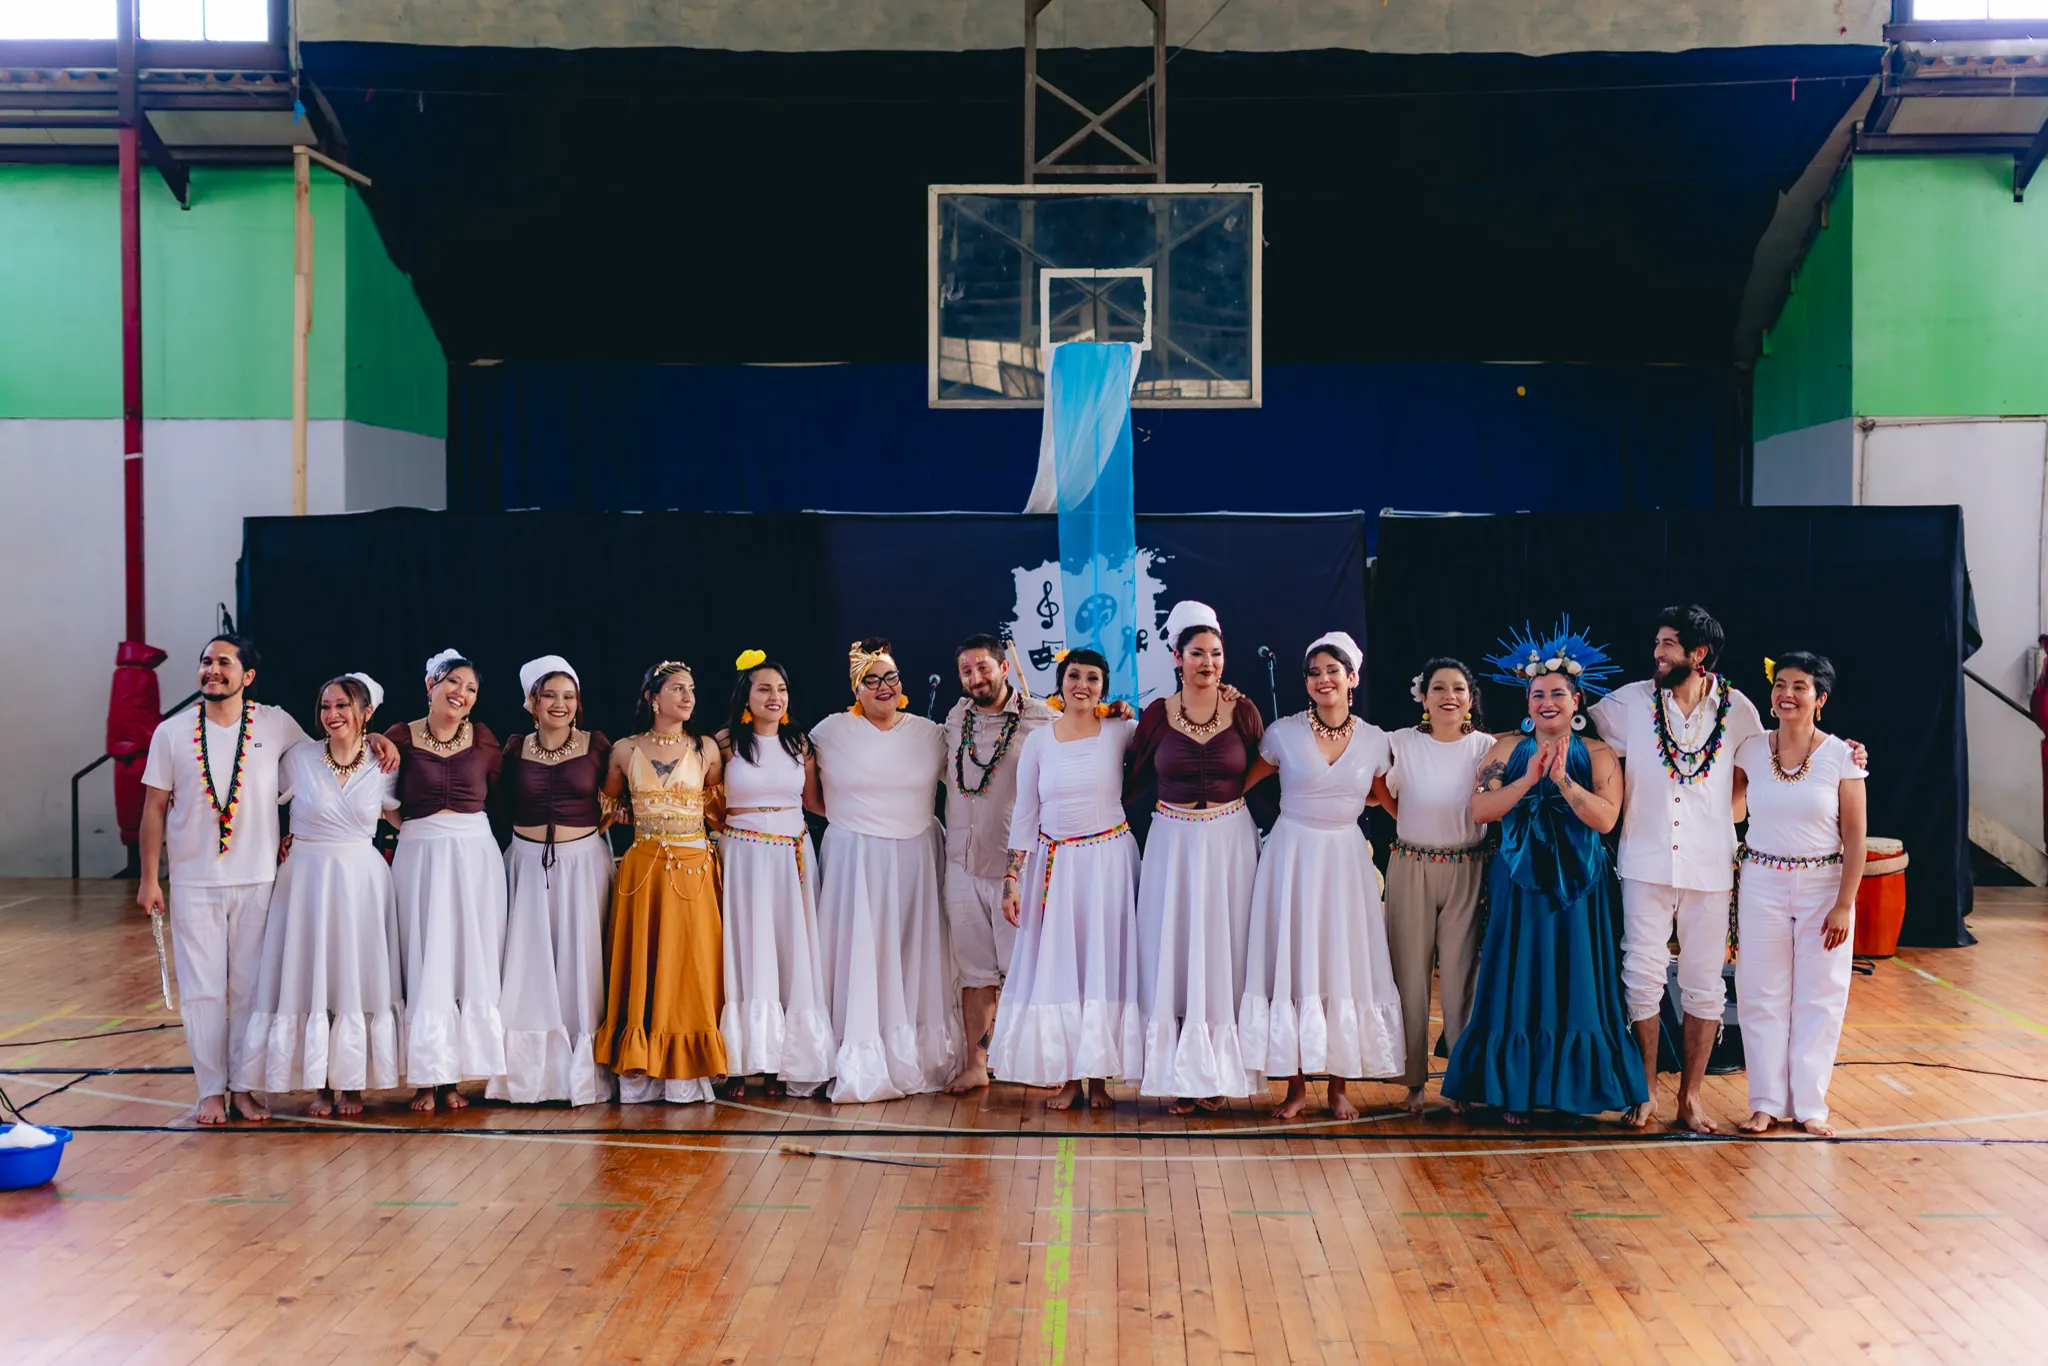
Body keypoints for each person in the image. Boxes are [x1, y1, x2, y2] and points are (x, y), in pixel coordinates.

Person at [137, 634, 395, 1125]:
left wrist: (375, 738)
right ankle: (212, 1090)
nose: (212, 670)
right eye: (206, 662)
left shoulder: (275, 724)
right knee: (203, 992)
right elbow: (153, 808)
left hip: (259, 880)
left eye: (224, 663)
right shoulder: (169, 734)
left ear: (247, 677)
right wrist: (150, 879)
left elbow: (333, 746)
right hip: (193, 882)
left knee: (251, 993)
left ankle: (246, 1089)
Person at [1445, 621, 1646, 1124]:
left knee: (1577, 980)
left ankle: (1573, 1090)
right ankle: (1515, 1090)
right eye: (1538, 694)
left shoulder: (1600, 754)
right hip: (1520, 883)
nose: (1547, 702)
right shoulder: (1505, 748)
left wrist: (1563, 783)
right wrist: (1529, 779)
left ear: (1577, 700)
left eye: (1558, 693)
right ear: (1527, 700)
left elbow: (1606, 820)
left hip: (1579, 887)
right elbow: (1481, 810)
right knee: (1518, 980)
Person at [1589, 605, 1765, 1133]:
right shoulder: (1629, 702)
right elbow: (1574, 731)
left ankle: (1690, 1097)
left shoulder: (1738, 709)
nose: (1657, 652)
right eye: (1658, 642)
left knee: (1704, 984)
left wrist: (1848, 754)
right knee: (1640, 973)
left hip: (1710, 865)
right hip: (1643, 860)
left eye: (1668, 644)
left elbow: (1761, 767)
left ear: (1698, 654)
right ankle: (1644, 1093)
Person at [1238, 632, 1406, 1120]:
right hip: (1291, 856)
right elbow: (1238, 785)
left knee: (1341, 966)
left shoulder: (1376, 740)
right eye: (1314, 672)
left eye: (1333, 670)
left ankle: (1338, 1088)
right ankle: (1294, 1088)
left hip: (1345, 862)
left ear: (1352, 678)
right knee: (1292, 964)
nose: (1323, 679)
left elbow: (1389, 803)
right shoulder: (1282, 733)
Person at [805, 637, 962, 1103]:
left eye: (890, 677)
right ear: (856, 688)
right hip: (854, 860)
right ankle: (858, 1057)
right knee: (860, 956)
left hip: (915, 858)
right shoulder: (829, 731)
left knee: (912, 956)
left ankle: (914, 1055)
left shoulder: (928, 733)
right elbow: (810, 796)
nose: (882, 687)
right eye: (870, 680)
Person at [240, 673, 402, 1117]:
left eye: (343, 706)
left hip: (361, 883)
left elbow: (403, 819)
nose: (332, 715)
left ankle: (352, 1085)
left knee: (354, 977)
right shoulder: (298, 759)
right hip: (306, 880)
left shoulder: (385, 765)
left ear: (366, 713)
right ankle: (320, 1085)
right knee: (309, 976)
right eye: (326, 706)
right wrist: (273, 842)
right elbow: (257, 802)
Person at [1127, 601, 1264, 1113]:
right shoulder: (1156, 715)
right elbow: (1129, 775)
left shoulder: (1244, 711)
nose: (1208, 662)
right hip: (1173, 845)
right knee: (1176, 953)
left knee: (1225, 953)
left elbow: (1271, 766)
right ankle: (1180, 1073)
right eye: (1197, 653)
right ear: (1176, 656)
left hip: (1230, 844)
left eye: (1216, 653)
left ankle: (1221, 1072)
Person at [991, 648, 1143, 1110]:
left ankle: (1099, 1078)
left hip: (1108, 864)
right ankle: (1070, 1077)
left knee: (1103, 966)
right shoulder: (1039, 741)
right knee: (1063, 970)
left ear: (1104, 687)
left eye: (1093, 678)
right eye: (1074, 675)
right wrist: (1013, 877)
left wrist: (1125, 711)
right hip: (1056, 868)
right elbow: (1026, 812)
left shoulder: (1122, 731)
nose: (1082, 684)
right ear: (1060, 682)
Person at [1732, 653, 1867, 1137]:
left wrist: (1844, 904)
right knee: (1759, 993)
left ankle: (1810, 1105)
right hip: (1762, 881)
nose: (1786, 693)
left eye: (1800, 686)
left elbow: (1856, 837)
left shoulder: (1842, 757)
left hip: (1823, 885)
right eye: (1780, 684)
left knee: (1821, 994)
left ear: (1820, 698)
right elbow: (1725, 808)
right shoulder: (1749, 749)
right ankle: (1765, 1102)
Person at [597, 660, 730, 1104]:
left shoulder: (706, 749)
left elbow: (718, 806)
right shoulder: (623, 750)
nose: (688, 697)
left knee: (691, 965)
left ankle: (688, 1069)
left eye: (691, 689)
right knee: (645, 963)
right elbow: (607, 805)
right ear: (654, 698)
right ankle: (641, 1067)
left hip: (693, 868)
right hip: (644, 872)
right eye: (677, 689)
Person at [490, 656, 615, 1106]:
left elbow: (616, 796)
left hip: (583, 865)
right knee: (529, 966)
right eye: (550, 695)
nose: (560, 704)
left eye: (569, 696)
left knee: (582, 964)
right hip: (526, 866)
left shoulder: (598, 746)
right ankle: (528, 1075)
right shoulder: (512, 749)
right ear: (532, 702)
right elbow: (500, 805)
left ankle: (583, 1073)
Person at [386, 649, 507, 1112]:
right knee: (424, 961)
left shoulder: (485, 739)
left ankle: (453, 1076)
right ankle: (425, 1076)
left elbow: (500, 799)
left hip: (474, 859)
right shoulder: (398, 736)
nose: (461, 693)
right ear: (431, 685)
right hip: (420, 857)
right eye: (453, 683)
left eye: (471, 688)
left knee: (464, 961)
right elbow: (383, 798)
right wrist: (416, 830)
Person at [1380, 657, 1497, 1114]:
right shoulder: (1400, 743)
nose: (1450, 695)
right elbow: (1375, 789)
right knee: (1408, 974)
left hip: (1468, 866)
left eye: (1459, 688)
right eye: (1439, 688)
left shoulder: (1486, 747)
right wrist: (1407, 820)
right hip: (1410, 863)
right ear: (1423, 697)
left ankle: (1460, 1082)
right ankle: (1413, 1084)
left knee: (1460, 978)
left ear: (1470, 698)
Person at [716, 650, 835, 1099]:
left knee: (791, 953)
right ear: (746, 694)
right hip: (745, 857)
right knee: (748, 952)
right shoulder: (725, 743)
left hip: (791, 857)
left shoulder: (799, 744)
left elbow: (816, 803)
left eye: (782, 689)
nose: (775, 697)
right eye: (764, 688)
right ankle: (746, 1060)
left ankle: (789, 1061)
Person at [941, 632, 1057, 1093]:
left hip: (1016, 866)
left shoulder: (1042, 719)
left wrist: (1120, 713)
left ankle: (1040, 1062)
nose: (975, 677)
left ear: (1004, 667)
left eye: (983, 667)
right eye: (966, 670)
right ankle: (976, 1065)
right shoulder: (954, 718)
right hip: (961, 864)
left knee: (1027, 971)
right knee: (974, 973)